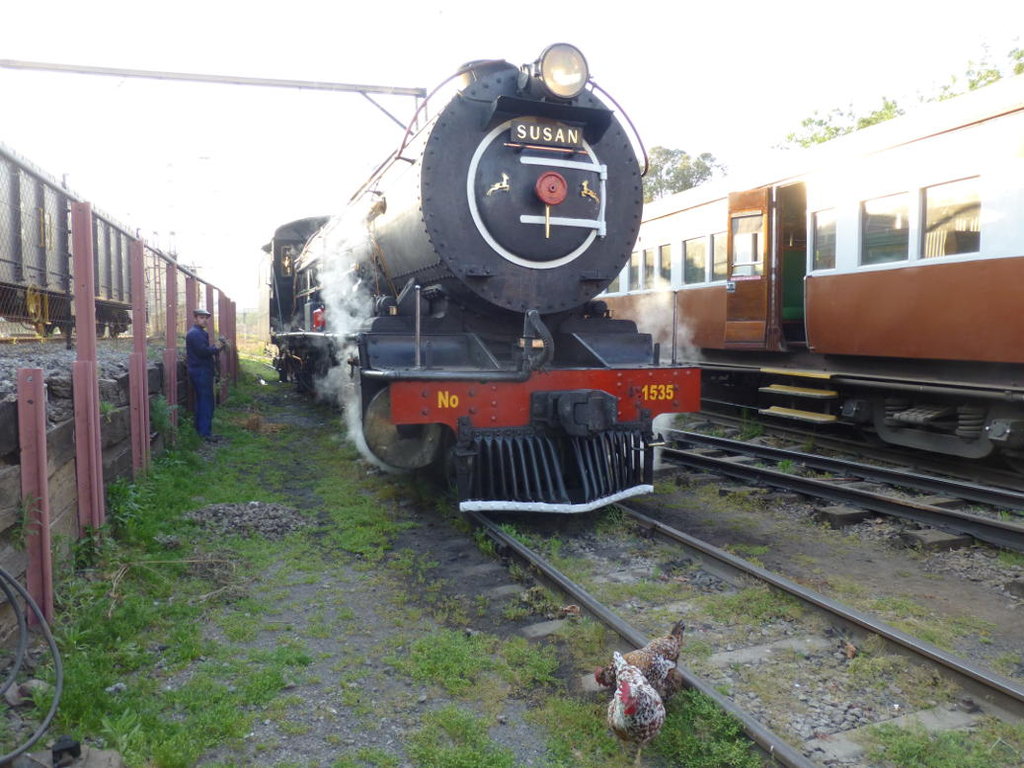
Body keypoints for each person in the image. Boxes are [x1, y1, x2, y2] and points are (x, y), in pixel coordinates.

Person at [185, 308, 226, 442]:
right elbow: (203, 352)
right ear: (195, 318)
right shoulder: (195, 334)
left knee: (202, 401)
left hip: (200, 370)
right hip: (200, 371)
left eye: (206, 318)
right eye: (201, 317)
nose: (204, 320)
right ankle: (205, 433)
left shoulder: (198, 332)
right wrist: (217, 347)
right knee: (206, 402)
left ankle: (201, 430)